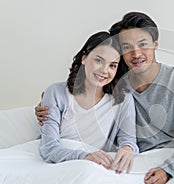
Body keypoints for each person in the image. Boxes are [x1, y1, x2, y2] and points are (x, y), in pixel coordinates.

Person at [36, 12, 174, 184]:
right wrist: (47, 110)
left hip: (171, 160)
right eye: (127, 47)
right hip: (132, 162)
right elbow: (78, 97)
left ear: (155, 44)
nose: (136, 53)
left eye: (143, 44)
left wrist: (168, 170)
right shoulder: (115, 84)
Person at [39, 31, 139, 174]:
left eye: (112, 65)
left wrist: (127, 148)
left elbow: (129, 141)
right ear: (84, 58)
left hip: (95, 168)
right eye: (98, 60)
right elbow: (49, 148)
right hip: (57, 164)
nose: (104, 70)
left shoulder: (123, 99)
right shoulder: (56, 93)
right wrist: (84, 157)